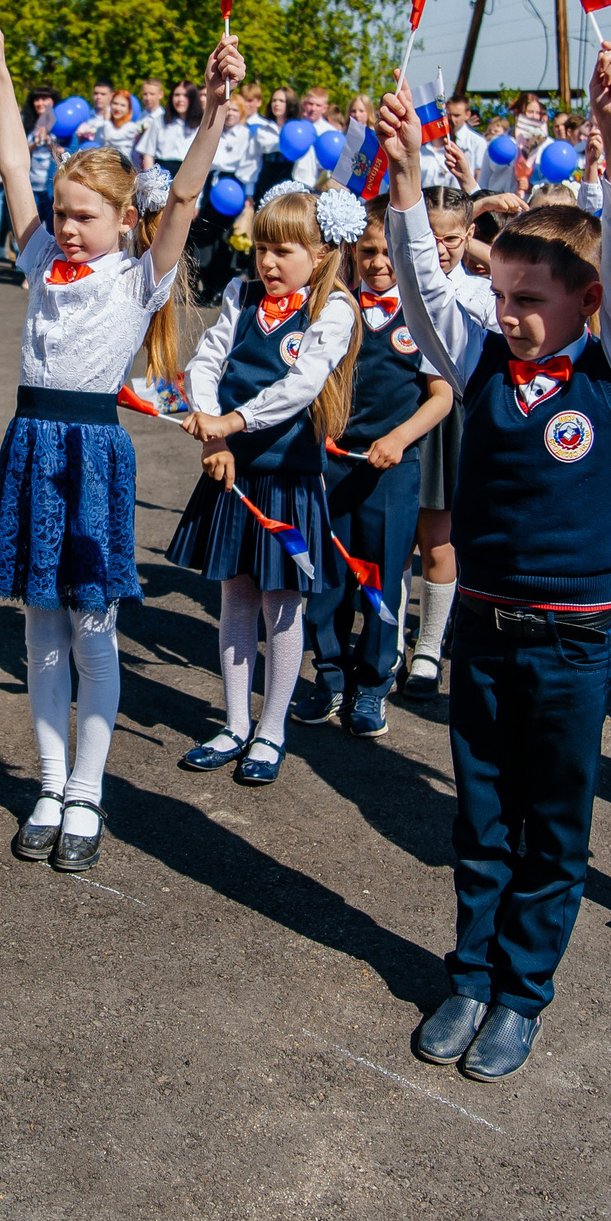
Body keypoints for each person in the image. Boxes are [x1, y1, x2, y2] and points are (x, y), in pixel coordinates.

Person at [382, 43, 611, 1081]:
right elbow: (420, 282)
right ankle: (469, 973)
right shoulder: (480, 353)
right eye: (499, 290)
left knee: (553, 826)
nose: (508, 310)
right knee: (482, 814)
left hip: (575, 638)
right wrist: (408, 177)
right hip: (486, 630)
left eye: (530, 297)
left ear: (588, 301)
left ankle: (523, 991)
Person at [0, 17, 235, 874]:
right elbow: (14, 161)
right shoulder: (41, 256)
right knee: (40, 628)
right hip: (30, 445)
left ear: (125, 219)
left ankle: (88, 788)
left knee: (92, 627)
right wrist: (1, 71)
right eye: (60, 213)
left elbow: (187, 198)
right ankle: (48, 782)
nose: (67, 227)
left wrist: (214, 113)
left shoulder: (137, 274)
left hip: (92, 453)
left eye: (84, 216)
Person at [167, 181, 365, 788]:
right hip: (231, 467)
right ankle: (232, 723)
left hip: (287, 477)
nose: (268, 263)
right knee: (236, 598)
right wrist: (214, 434)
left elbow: (301, 384)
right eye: (262, 248)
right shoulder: (240, 292)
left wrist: (233, 421)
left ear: (322, 253)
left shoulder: (334, 308)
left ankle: (271, 729)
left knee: (282, 608)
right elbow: (205, 360)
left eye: (284, 251)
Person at [292, 197, 455, 738]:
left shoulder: (424, 316)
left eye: (389, 252)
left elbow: (441, 397)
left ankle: (373, 684)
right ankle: (331, 677)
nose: (379, 262)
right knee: (329, 577)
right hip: (333, 465)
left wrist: (398, 437)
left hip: (394, 468)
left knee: (382, 578)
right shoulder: (335, 309)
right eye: (368, 252)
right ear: (351, 254)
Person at [403, 185, 475, 695]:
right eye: (431, 235)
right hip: (395, 414)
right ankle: (383, 643)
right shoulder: (394, 280)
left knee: (438, 538)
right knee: (390, 537)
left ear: (469, 236)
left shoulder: (479, 293)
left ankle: (428, 648)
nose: (442, 246)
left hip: (450, 422)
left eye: (452, 237)